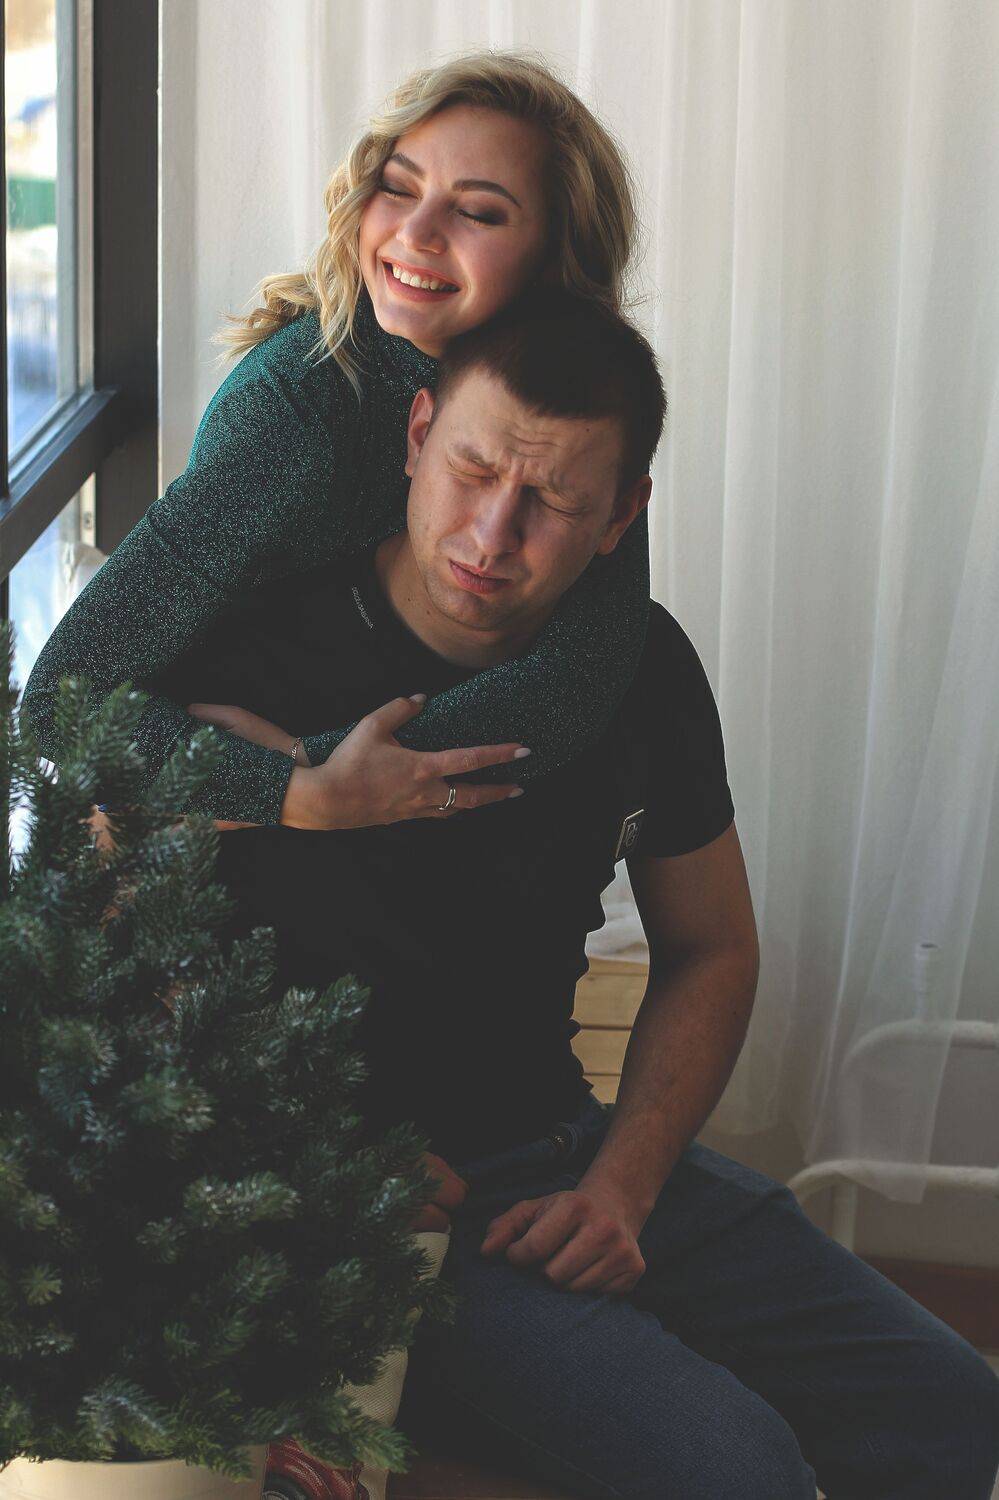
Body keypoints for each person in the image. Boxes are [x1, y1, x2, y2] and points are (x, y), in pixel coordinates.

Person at [141, 291, 999, 1500]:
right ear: (416, 437)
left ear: (621, 517)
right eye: (474, 470)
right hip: (368, 1213)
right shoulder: (251, 642)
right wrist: (309, 1162)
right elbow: (95, 948)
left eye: (551, 501)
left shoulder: (638, 666)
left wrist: (623, 1187)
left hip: (565, 1150)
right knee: (741, 1470)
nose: (494, 533)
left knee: (955, 1412)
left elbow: (711, 946)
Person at [21, 50, 650, 833]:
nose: (415, 233)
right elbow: (62, 702)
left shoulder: (574, 421)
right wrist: (297, 790)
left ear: (559, 255)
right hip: (179, 823)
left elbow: (576, 679)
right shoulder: (298, 418)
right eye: (398, 188)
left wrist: (318, 766)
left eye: (478, 212)